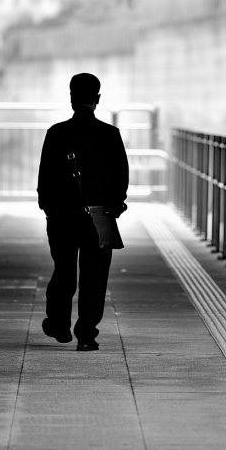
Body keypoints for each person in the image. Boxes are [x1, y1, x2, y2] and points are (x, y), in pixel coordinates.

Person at [37, 73, 129, 351]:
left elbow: (45, 180)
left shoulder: (57, 133)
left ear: (71, 98)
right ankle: (86, 336)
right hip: (99, 216)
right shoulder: (110, 134)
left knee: (63, 271)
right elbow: (121, 178)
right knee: (95, 277)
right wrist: (114, 207)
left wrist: (50, 210)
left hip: (63, 215)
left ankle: (59, 325)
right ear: (97, 99)